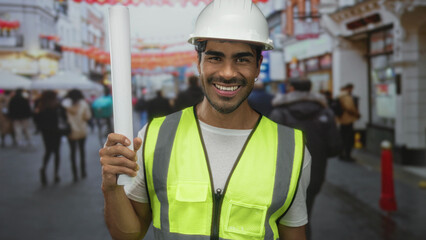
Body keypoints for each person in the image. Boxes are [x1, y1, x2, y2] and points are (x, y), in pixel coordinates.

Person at [100, 0, 311, 239]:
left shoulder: (291, 150)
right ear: (198, 62)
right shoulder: (154, 136)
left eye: (242, 59)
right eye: (215, 58)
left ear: (258, 65)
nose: (228, 73)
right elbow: (127, 235)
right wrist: (111, 187)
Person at [269, 78, 341, 239]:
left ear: (291, 89)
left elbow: (269, 147)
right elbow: (335, 147)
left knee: (281, 217)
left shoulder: (280, 112)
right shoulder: (325, 113)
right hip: (314, 174)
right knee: (304, 216)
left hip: (283, 176)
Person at [33, 91, 67, 185]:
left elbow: (36, 119)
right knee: (56, 152)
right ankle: (56, 174)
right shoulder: (57, 106)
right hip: (56, 132)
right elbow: (64, 117)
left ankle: (43, 167)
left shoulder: (41, 106)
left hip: (46, 132)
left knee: (48, 151)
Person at [63, 89, 92, 182]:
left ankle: (74, 174)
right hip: (82, 131)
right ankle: (83, 171)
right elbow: (87, 117)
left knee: (72, 152)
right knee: (82, 151)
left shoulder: (65, 105)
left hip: (71, 131)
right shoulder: (83, 104)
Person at [336, 83, 360, 162]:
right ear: (349, 88)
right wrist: (356, 114)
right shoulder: (346, 97)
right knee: (348, 138)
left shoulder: (339, 96)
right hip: (347, 119)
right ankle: (347, 155)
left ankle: (341, 154)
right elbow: (349, 107)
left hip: (341, 119)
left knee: (342, 137)